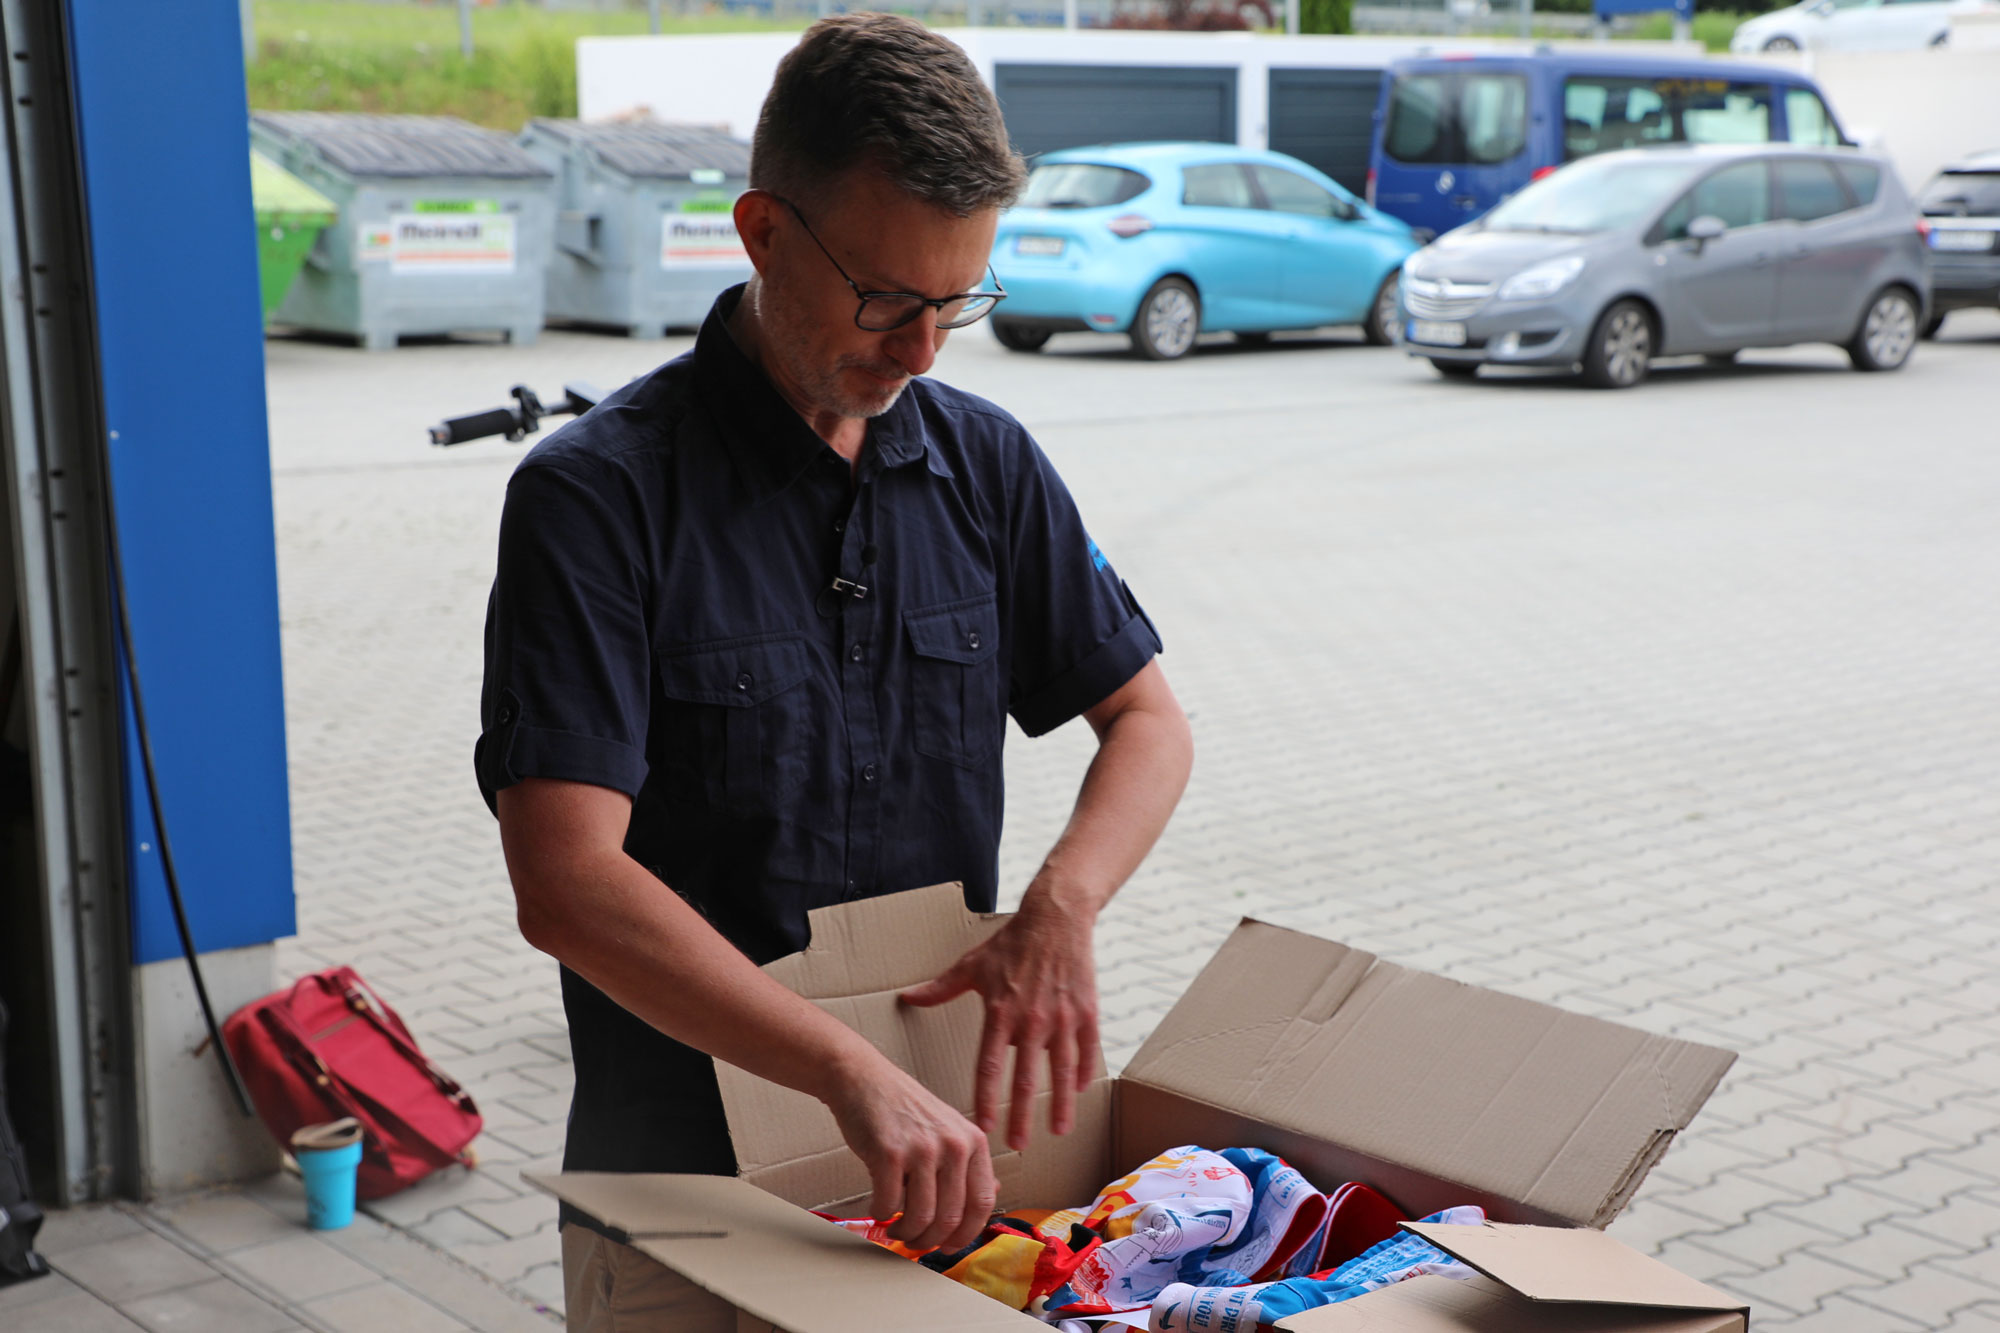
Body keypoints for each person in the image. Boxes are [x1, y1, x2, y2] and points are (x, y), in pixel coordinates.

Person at [475, 13, 1194, 1329]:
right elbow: (567, 881)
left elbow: (1147, 718)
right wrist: (843, 1070)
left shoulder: (985, 465)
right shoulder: (597, 501)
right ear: (760, 235)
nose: (921, 350)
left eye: (956, 303)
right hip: (683, 1185)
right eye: (885, 300)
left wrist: (1062, 910)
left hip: (930, 1175)